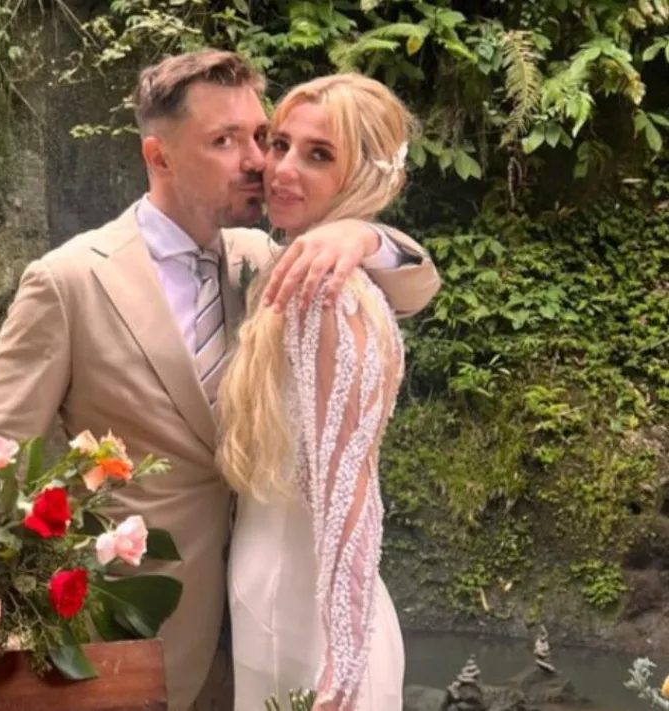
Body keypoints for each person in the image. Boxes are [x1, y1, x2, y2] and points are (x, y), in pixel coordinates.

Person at [0, 50, 439, 711]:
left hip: (267, 613)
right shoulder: (68, 281)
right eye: (225, 141)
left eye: (259, 136)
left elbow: (415, 287)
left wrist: (364, 235)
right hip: (135, 631)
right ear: (158, 156)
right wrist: (13, 625)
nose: (258, 161)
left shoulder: (271, 259)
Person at [218, 74, 417, 711]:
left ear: (362, 177)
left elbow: (348, 491)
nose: (282, 170)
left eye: (318, 155)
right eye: (280, 145)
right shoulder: (295, 268)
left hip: (301, 622)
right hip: (272, 599)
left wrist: (342, 671)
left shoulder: (329, 295)